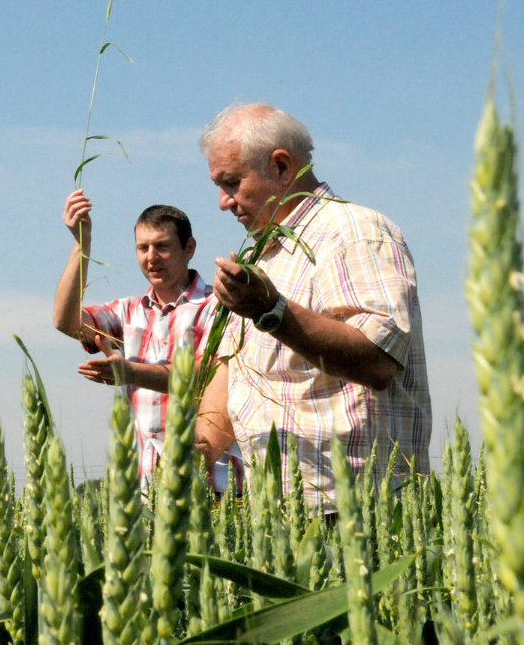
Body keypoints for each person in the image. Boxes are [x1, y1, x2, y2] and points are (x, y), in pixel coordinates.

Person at [192, 102, 431, 512]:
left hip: (355, 508)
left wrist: (273, 312)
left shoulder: (355, 233)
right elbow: (234, 375)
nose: (223, 202)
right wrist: (195, 456)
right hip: (274, 508)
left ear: (282, 167)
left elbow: (377, 360)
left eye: (231, 183)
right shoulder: (261, 256)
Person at [53, 190, 242, 493]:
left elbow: (209, 376)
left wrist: (132, 372)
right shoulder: (127, 312)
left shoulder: (219, 307)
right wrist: (81, 243)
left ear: (189, 248)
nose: (151, 257)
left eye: (162, 246)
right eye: (142, 248)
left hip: (213, 484)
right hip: (145, 488)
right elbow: (67, 322)